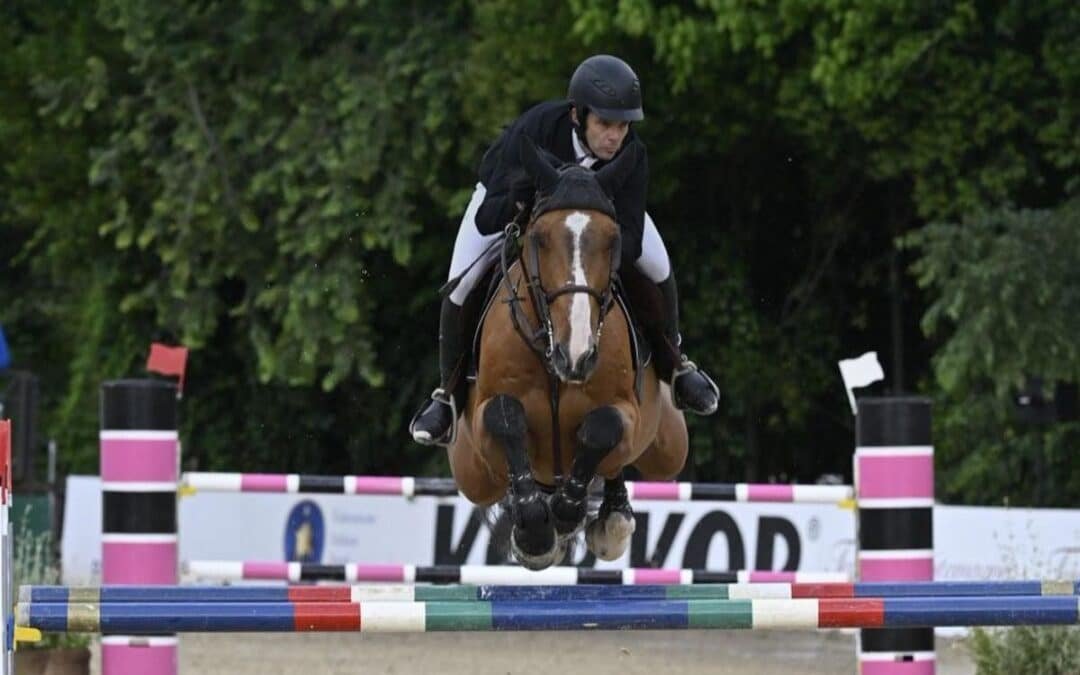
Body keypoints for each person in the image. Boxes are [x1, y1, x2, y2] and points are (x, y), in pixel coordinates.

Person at [409, 54, 719, 447]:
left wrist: (591, 264)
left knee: (659, 267)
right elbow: (489, 217)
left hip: (592, 230)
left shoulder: (632, 155)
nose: (614, 136)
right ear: (578, 115)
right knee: (461, 284)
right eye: (604, 124)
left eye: (623, 126)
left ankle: (676, 366)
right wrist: (523, 200)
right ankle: (447, 398)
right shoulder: (537, 130)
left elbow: (633, 238)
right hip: (510, 205)